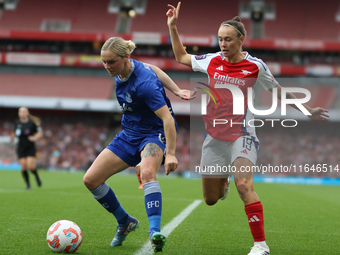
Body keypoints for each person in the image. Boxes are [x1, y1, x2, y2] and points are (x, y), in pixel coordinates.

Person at [166, 2, 329, 255]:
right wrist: (173, 27)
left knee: (245, 186)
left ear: (241, 40)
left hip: (242, 135)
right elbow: (181, 57)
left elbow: (278, 92)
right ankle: (224, 184)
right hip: (214, 137)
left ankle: (261, 245)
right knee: (210, 199)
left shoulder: (255, 66)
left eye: (228, 39)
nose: (223, 44)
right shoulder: (210, 60)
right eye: (220, 39)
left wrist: (308, 110)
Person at [83, 37, 185, 253]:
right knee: (90, 180)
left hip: (153, 133)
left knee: (148, 173)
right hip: (129, 134)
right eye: (104, 62)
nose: (107, 67)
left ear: (126, 57)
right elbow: (155, 68)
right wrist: (176, 90)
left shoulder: (144, 85)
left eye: (111, 62)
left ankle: (154, 232)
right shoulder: (126, 69)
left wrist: (172, 154)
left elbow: (167, 119)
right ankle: (125, 221)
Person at [10, 107, 43, 189]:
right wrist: (11, 137)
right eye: (21, 111)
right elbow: (14, 133)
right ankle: (28, 185)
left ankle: (37, 176)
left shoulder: (31, 123)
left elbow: (39, 132)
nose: (23, 113)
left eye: (24, 111)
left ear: (27, 113)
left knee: (31, 166)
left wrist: (34, 138)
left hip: (30, 147)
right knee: (23, 166)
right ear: (19, 113)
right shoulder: (17, 123)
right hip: (21, 147)